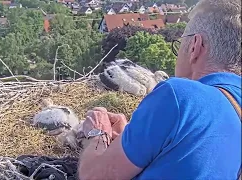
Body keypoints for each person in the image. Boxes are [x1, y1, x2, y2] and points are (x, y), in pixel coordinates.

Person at [77, 0, 241, 179]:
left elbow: (94, 175)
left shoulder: (180, 96)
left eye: (180, 45)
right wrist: (132, 139)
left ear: (195, 46)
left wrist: (97, 134)